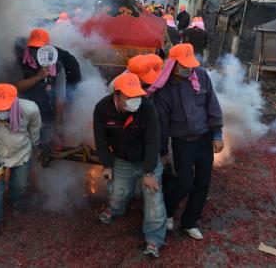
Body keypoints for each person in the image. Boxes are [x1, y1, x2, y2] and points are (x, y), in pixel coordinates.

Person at [150, 43, 224, 241]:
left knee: (202, 183)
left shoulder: (201, 76)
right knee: (184, 183)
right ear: (173, 65)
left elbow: (212, 105)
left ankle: (190, 222)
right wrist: (163, 150)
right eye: (184, 65)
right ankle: (168, 211)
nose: (189, 69)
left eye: (190, 65)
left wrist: (217, 134)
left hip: (204, 138)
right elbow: (162, 124)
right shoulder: (164, 89)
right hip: (182, 142)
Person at [94, 72, 166, 258]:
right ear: (117, 95)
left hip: (147, 158)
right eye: (130, 96)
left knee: (153, 199)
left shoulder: (147, 108)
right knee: (118, 192)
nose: (136, 100)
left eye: (138, 95)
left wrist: (149, 172)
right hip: (122, 159)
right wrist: (107, 164)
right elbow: (101, 139)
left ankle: (154, 240)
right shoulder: (102, 108)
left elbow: (153, 141)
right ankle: (116, 210)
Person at [0, 83, 41, 242]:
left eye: (6, 109)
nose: (2, 113)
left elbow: (35, 127)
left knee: (19, 184)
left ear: (15, 102)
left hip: (21, 152)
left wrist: (35, 143)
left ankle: (15, 199)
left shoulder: (30, 109)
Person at [15, 29, 66, 148]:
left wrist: (57, 128)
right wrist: (38, 77)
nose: (36, 51)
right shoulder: (21, 63)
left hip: (47, 114)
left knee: (45, 146)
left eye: (40, 47)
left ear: (48, 47)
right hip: (24, 115)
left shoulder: (58, 67)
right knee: (25, 147)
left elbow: (60, 98)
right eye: (33, 47)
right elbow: (17, 86)